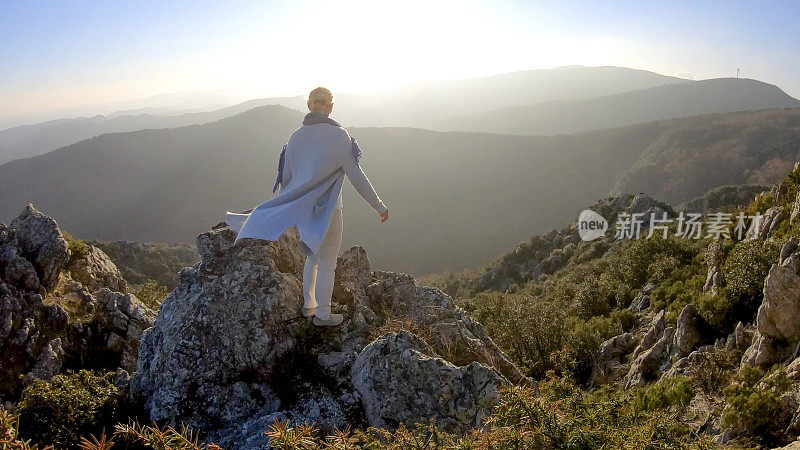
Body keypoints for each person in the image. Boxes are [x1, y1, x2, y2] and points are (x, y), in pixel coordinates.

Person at [226, 87, 389, 326]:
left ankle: (308, 306)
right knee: (327, 264)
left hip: (304, 210)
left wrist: (286, 208)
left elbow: (287, 180)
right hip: (329, 210)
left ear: (309, 105)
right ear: (330, 107)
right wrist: (379, 206)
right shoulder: (340, 136)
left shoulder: (295, 137)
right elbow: (357, 179)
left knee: (312, 257)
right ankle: (323, 315)